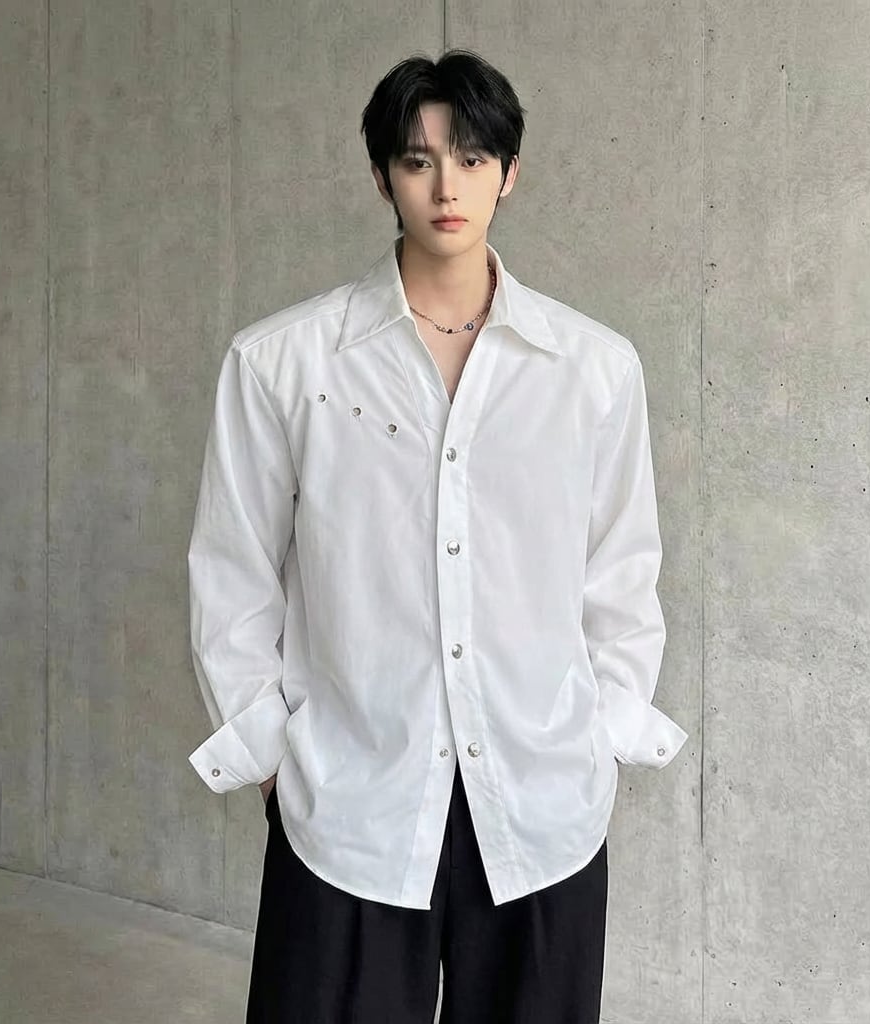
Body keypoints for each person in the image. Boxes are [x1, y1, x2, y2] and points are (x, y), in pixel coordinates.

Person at [186, 48, 688, 1024]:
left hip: (541, 802)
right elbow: (232, 571)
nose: (446, 186)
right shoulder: (283, 363)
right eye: (417, 160)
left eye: (472, 157)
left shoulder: (593, 370)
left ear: (511, 171)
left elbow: (621, 574)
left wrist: (603, 735)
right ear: (382, 177)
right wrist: (275, 757)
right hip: (351, 799)